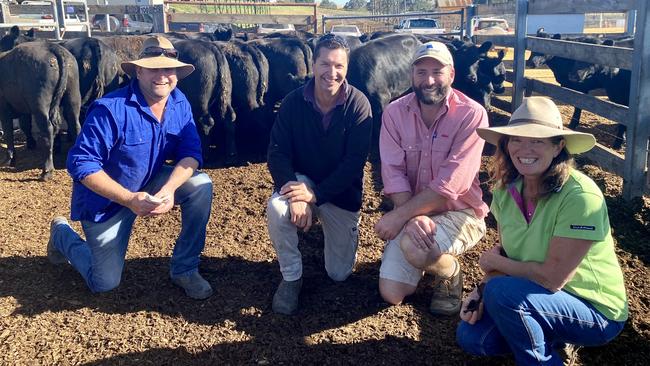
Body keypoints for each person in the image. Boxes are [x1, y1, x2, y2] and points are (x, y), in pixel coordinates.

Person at [456, 97, 628, 364]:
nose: (525, 148)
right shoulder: (506, 189)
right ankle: (552, 337)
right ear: (506, 145)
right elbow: (509, 254)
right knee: (472, 337)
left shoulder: (580, 196)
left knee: (502, 295)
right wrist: (482, 287)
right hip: (536, 297)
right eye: (517, 139)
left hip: (592, 309)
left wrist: (493, 264)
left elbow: (552, 278)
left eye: (537, 140)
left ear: (558, 146)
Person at [46, 36, 214, 300]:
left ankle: (185, 268)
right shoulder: (110, 109)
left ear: (177, 74)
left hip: (149, 182)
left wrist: (169, 190)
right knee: (104, 283)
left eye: (168, 69)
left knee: (201, 185)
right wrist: (128, 198)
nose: (162, 76)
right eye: (153, 68)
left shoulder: (179, 102)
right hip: (107, 200)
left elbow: (191, 155)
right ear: (138, 70)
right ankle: (62, 235)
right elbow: (81, 163)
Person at [375, 41, 489, 315]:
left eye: (437, 72)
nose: (429, 80)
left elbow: (452, 183)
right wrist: (411, 217)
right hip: (412, 210)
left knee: (413, 248)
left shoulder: (472, 114)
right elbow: (393, 173)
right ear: (411, 76)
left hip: (459, 212)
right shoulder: (394, 112)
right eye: (421, 72)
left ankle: (449, 271)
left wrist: (401, 217)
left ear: (451, 75)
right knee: (391, 293)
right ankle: (429, 256)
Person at [266, 34, 373, 315]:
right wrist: (294, 191)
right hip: (304, 180)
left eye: (339, 65)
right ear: (313, 65)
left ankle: (334, 233)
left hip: (340, 193)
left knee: (339, 274)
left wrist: (316, 196)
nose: (332, 72)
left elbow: (354, 163)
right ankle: (291, 277)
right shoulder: (292, 102)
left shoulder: (359, 105)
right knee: (277, 207)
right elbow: (277, 152)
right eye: (325, 64)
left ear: (347, 67)